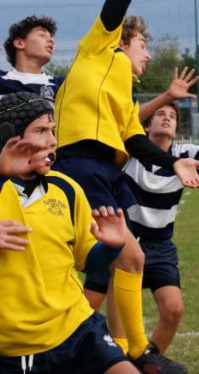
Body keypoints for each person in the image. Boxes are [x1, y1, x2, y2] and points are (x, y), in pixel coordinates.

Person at [54, 0, 199, 374]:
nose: (148, 53)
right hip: (79, 162)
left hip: (107, 171)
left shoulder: (124, 90)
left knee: (130, 258)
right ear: (121, 40)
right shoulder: (99, 51)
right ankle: (131, 350)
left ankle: (127, 347)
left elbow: (134, 139)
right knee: (123, 258)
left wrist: (174, 162)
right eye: (143, 43)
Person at [0, 91, 139, 374]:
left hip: (74, 327)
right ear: (10, 138)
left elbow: (87, 260)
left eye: (52, 130)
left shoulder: (66, 188)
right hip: (13, 345)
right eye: (40, 131)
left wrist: (111, 247)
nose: (52, 141)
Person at [120, 102, 199, 352]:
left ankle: (148, 361)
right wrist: (167, 95)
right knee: (104, 304)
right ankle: (116, 358)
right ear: (147, 124)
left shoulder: (183, 153)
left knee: (173, 309)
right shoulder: (130, 150)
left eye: (172, 116)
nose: (167, 118)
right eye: (160, 114)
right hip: (125, 243)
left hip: (160, 246)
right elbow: (125, 119)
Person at [0, 15, 63, 100]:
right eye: (41, 35)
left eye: (50, 37)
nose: (51, 40)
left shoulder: (60, 85)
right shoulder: (2, 80)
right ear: (19, 43)